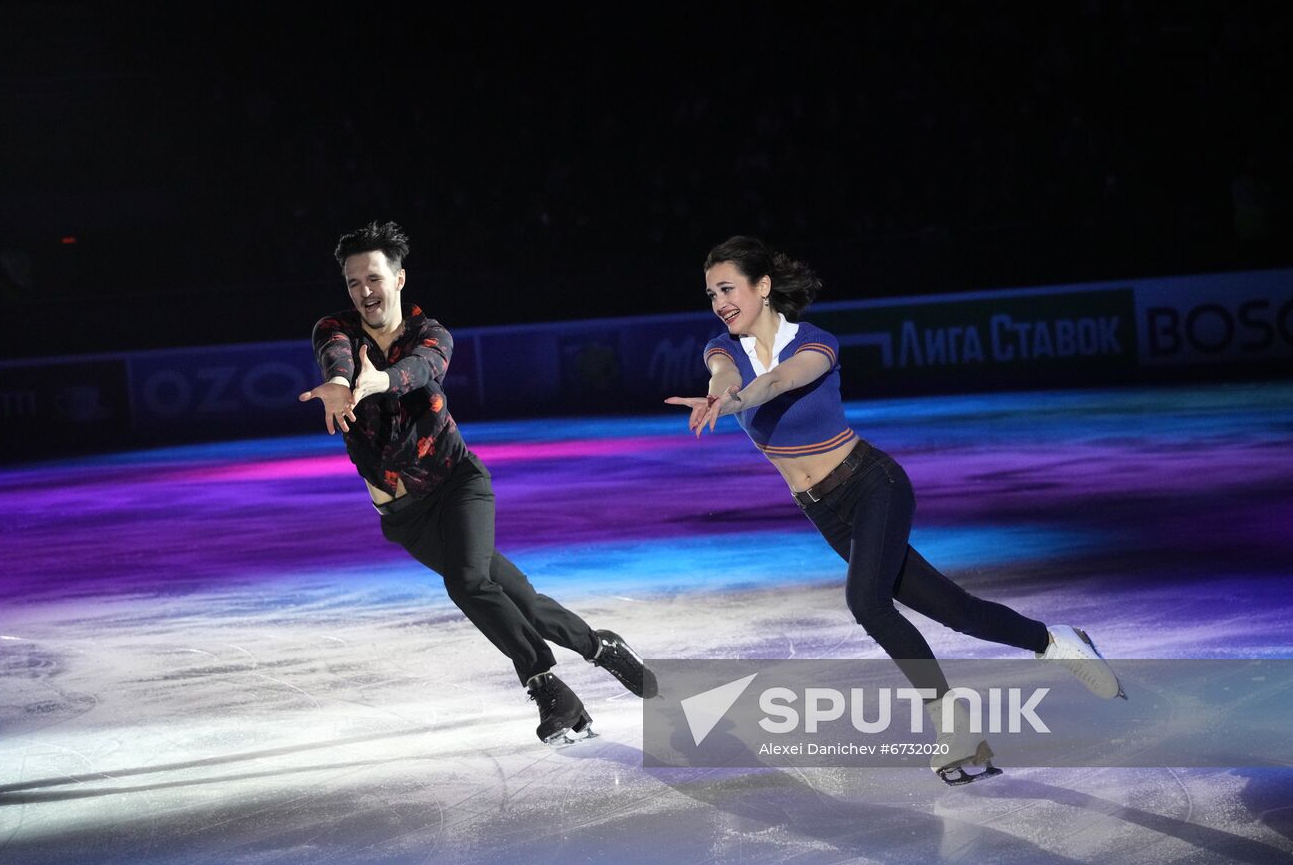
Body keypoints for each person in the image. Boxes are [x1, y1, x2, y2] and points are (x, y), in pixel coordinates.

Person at [667, 235, 1124, 785]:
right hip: (823, 511)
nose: (719, 302)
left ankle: (952, 726)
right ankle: (1053, 642)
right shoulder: (723, 348)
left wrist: (737, 402)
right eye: (711, 292)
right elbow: (727, 378)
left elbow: (781, 380)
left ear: (762, 287)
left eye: (728, 287)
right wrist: (723, 394)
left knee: (868, 602)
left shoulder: (815, 342)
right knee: (958, 611)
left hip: (872, 485)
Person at [300, 221, 656, 744]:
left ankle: (544, 683)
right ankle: (603, 649)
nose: (364, 292)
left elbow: (423, 370)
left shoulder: (432, 334)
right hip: (403, 517)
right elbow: (335, 356)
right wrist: (338, 382)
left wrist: (380, 381)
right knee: (517, 599)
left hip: (457, 485)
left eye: (373, 278)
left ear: (399, 278)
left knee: (467, 583)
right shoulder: (335, 330)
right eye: (354, 283)